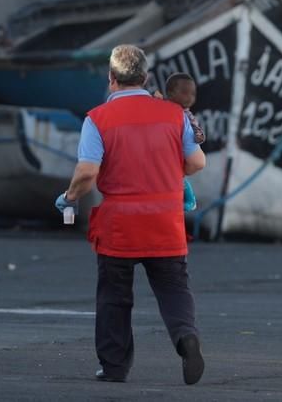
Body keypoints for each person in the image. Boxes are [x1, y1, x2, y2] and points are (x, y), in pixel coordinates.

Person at [54, 44, 207, 385]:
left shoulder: (97, 119)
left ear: (111, 79)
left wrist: (68, 197)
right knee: (173, 288)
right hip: (166, 222)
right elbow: (197, 162)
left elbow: (87, 173)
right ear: (146, 77)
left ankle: (114, 367)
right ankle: (186, 338)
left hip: (120, 225)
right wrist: (168, 175)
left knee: (114, 296)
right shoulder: (173, 114)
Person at [156, 72, 205, 212]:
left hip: (174, 159)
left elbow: (197, 130)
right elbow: (198, 163)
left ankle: (189, 201)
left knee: (180, 179)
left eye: (193, 94)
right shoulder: (168, 110)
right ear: (170, 93)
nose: (189, 97)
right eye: (184, 92)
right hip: (167, 159)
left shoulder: (187, 116)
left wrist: (199, 135)